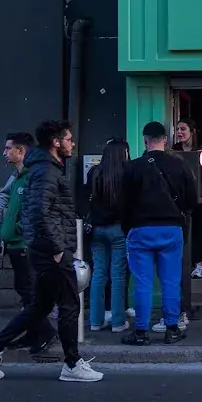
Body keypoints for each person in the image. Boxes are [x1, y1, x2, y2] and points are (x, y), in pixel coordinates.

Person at [0, 120, 104, 382]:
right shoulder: (46, 171)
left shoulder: (43, 168)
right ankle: (72, 364)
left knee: (39, 307)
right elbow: (40, 212)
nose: (72, 143)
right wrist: (57, 248)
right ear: (56, 142)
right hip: (51, 251)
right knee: (69, 304)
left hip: (43, 249)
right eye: (68, 139)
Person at [119, 121, 196, 346]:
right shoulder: (179, 165)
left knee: (142, 282)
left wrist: (129, 228)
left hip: (140, 230)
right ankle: (172, 328)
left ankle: (141, 332)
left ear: (145, 140)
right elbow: (192, 200)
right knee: (171, 281)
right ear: (166, 140)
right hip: (171, 229)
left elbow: (122, 203)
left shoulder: (132, 167)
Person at [0, 132, 57, 353]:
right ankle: (33, 333)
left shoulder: (32, 176)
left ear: (21, 151)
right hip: (15, 244)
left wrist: (19, 228)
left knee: (30, 292)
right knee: (24, 289)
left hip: (27, 244)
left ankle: (45, 332)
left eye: (8, 148)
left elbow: (38, 209)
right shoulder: (17, 176)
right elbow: (5, 196)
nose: (4, 153)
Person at [86, 138, 131, 334]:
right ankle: (118, 321)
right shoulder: (127, 173)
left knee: (98, 274)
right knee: (118, 276)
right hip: (118, 229)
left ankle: (96, 320)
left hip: (96, 229)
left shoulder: (94, 172)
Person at [173, 119, 202, 280]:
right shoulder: (175, 150)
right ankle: (197, 265)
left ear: (192, 131)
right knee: (190, 231)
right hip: (185, 197)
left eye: (183, 129)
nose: (179, 132)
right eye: (177, 129)